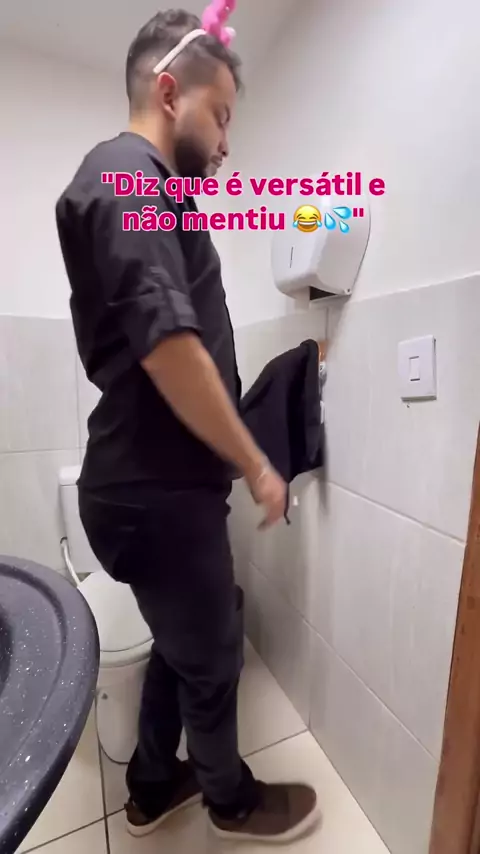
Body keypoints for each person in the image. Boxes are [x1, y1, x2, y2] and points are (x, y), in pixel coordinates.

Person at [55, 8, 319, 844]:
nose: (229, 143)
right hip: (156, 493)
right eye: (222, 115)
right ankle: (230, 802)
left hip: (150, 486)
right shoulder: (127, 176)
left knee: (182, 641)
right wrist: (257, 464)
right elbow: (171, 347)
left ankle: (151, 785)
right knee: (213, 658)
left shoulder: (147, 187)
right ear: (170, 93)